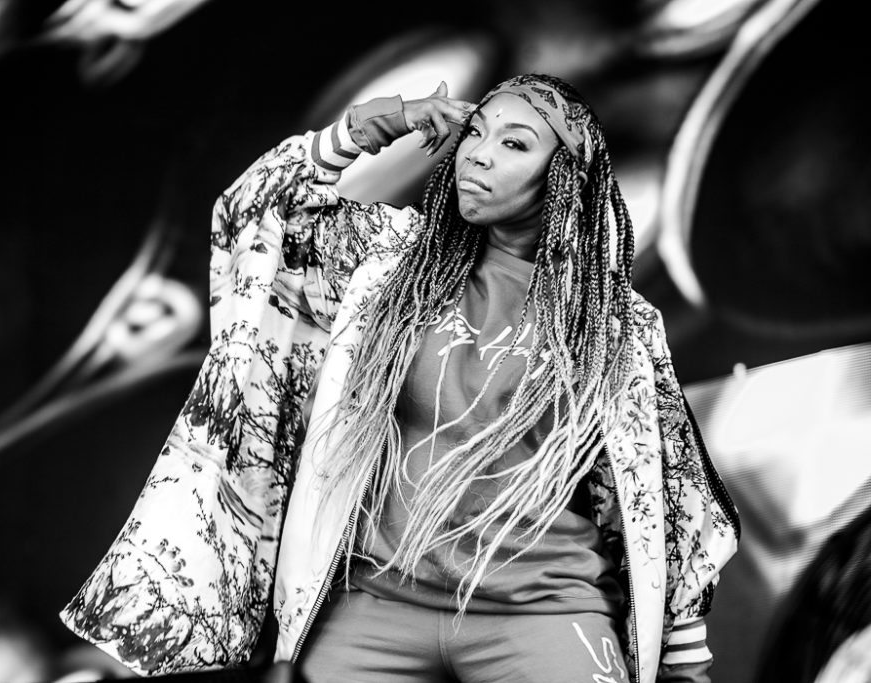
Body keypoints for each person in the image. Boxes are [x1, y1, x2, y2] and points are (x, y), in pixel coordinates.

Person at [58, 73, 740, 683]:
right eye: (475, 133)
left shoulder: (617, 327)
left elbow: (673, 496)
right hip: (378, 599)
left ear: (564, 178)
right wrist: (370, 126)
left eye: (514, 143)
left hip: (543, 608)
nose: (478, 154)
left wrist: (687, 664)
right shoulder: (385, 262)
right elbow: (253, 212)